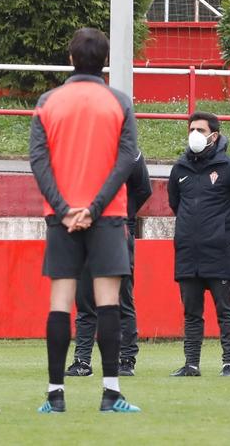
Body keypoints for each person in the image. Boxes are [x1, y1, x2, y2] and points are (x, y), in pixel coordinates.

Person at [28, 27, 142, 414]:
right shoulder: (119, 102)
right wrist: (93, 208)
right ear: (105, 61)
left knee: (61, 303)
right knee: (109, 302)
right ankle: (111, 392)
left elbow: (38, 162)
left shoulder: (48, 101)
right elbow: (127, 159)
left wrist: (64, 209)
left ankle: (55, 394)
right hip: (107, 216)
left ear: (71, 59)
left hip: (61, 219)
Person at [167, 110, 230, 378]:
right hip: (187, 253)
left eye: (200, 130)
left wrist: (225, 228)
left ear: (214, 136)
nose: (195, 135)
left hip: (218, 251)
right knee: (191, 313)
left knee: (225, 310)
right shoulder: (179, 169)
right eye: (192, 129)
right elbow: (174, 204)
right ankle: (191, 364)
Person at [69, 153, 149, 380]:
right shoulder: (80, 148)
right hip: (85, 229)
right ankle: (82, 360)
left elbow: (143, 188)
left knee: (121, 295)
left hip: (116, 229)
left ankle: (126, 358)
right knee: (84, 297)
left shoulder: (129, 151)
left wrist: (125, 216)